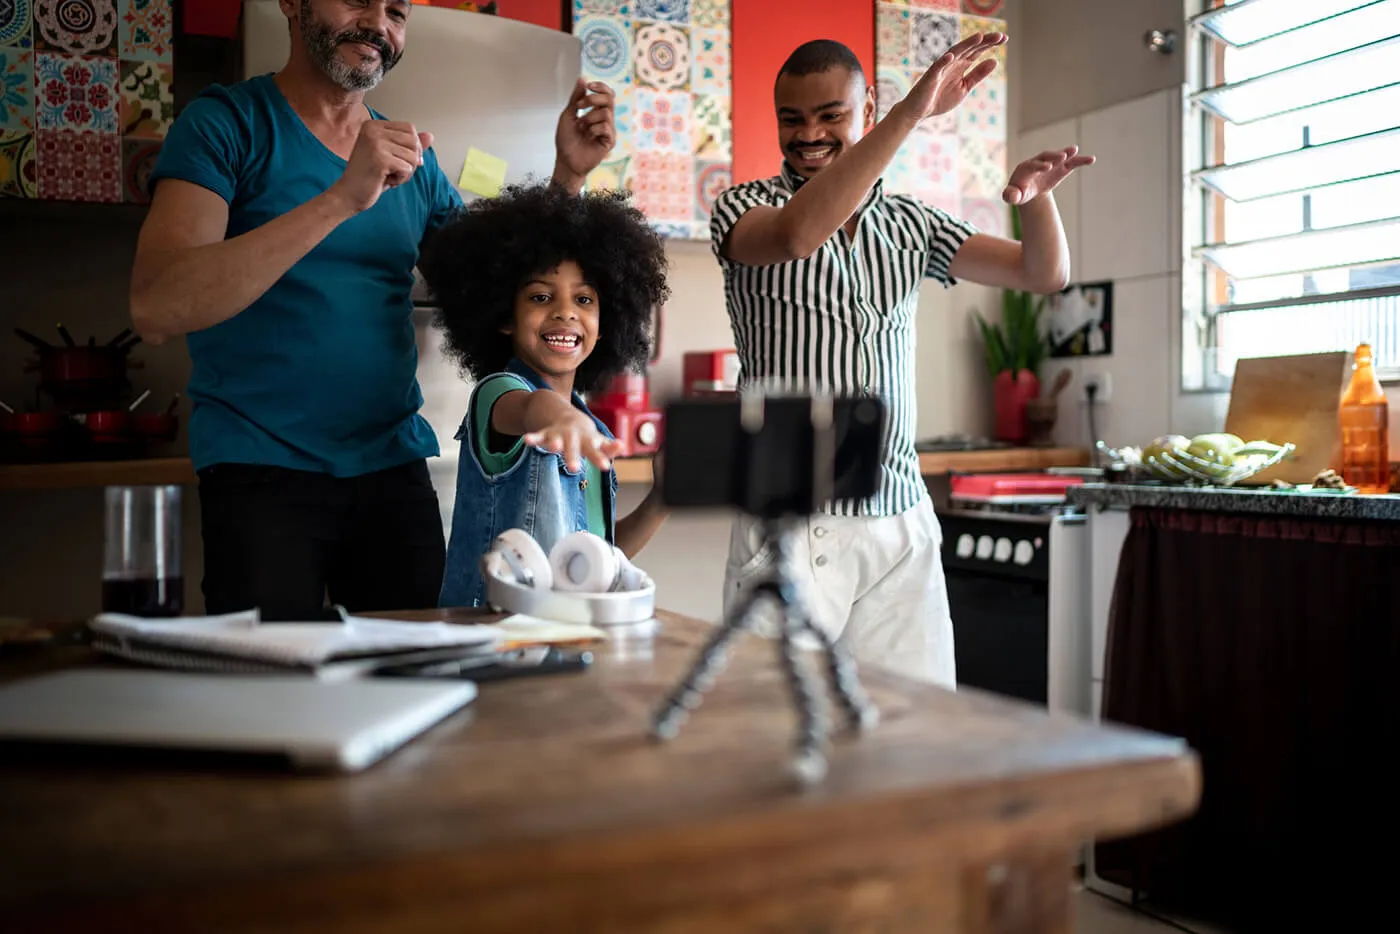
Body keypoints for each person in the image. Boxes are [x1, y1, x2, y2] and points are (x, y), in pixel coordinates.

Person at [126, 0, 616, 620]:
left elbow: (510, 296)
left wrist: (566, 178)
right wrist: (340, 199)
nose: (378, 25)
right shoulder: (225, 124)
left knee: (420, 688)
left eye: (396, 11)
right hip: (259, 469)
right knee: (268, 696)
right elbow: (158, 304)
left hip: (393, 469)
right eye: (358, 0)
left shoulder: (413, 161)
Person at [708, 36, 1094, 687]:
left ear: (868, 107)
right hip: (793, 520)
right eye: (791, 117)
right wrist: (912, 114)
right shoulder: (742, 209)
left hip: (898, 512)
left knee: (916, 728)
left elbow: (1043, 274)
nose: (809, 134)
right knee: (773, 728)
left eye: (830, 114)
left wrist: (1037, 198)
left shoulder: (911, 225)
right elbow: (801, 235)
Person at [418, 184, 671, 608]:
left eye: (585, 299)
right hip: (490, 639)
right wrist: (559, 417)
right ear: (503, 316)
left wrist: (663, 497)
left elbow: (592, 563)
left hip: (564, 638)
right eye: (540, 296)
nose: (565, 312)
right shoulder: (499, 395)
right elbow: (533, 409)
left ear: (605, 322)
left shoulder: (589, 428)